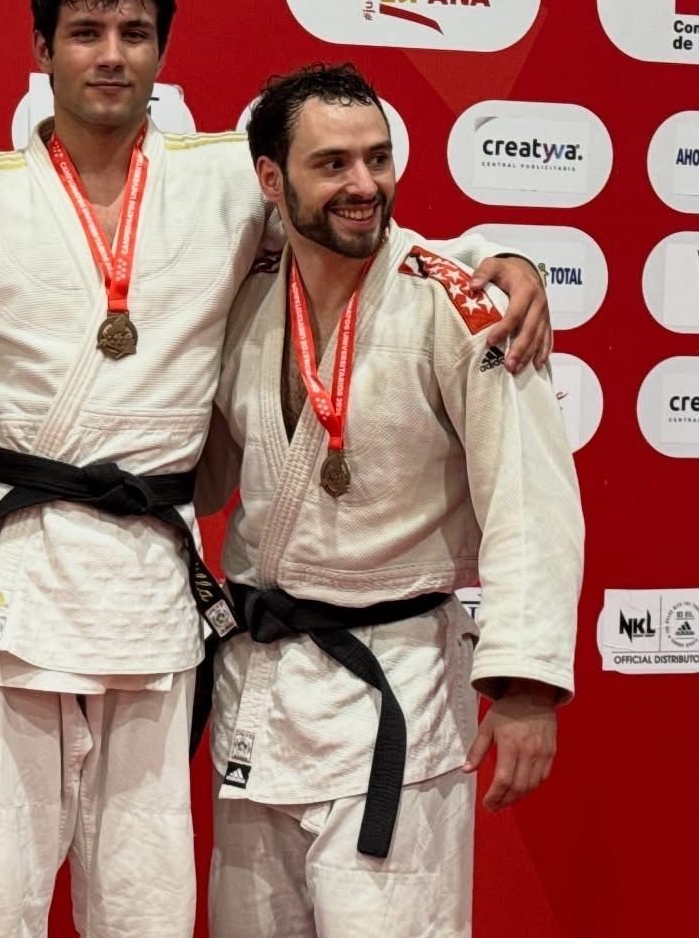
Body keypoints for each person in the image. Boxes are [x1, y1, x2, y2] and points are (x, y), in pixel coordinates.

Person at [0, 0, 552, 938]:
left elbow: (365, 231)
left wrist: (496, 257)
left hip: (159, 588)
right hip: (26, 584)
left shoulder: (221, 182)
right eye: (85, 32)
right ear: (41, 48)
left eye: (135, 32)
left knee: (151, 899)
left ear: (163, 51)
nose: (112, 54)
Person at [197, 62, 582, 938]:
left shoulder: (461, 304)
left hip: (393, 702)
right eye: (332, 164)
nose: (364, 184)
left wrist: (526, 689)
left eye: (378, 158)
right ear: (271, 180)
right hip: (261, 700)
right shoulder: (247, 294)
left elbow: (530, 500)